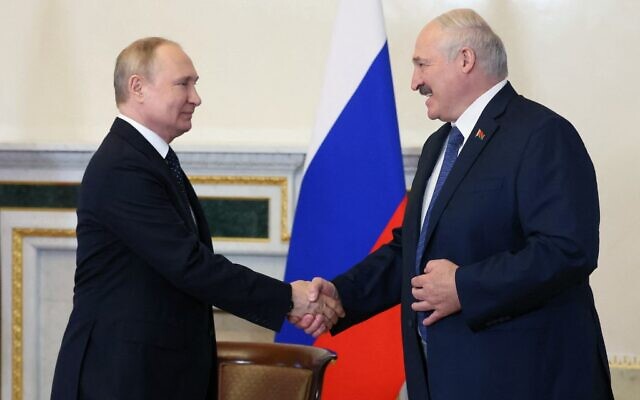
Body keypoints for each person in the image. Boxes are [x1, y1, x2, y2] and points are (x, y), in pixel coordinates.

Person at [298, 8, 614, 400]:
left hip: (527, 380)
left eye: (421, 65)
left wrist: (464, 286)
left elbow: (568, 250)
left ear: (465, 60)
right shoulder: (440, 145)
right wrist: (343, 294)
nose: (414, 82)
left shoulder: (542, 134)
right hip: (447, 379)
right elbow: (411, 250)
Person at [50, 37, 343, 400]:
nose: (196, 97)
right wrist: (288, 299)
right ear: (137, 87)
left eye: (195, 84)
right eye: (183, 84)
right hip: (119, 377)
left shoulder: (150, 160)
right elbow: (190, 265)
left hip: (151, 373)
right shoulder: (124, 166)